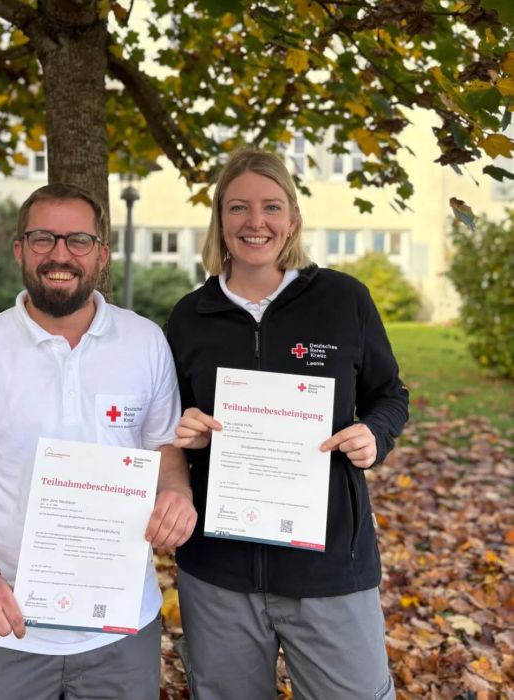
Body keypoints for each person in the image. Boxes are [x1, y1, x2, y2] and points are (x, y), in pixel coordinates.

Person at [0, 182, 197, 700]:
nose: (60, 254)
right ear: (20, 250)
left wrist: (179, 494)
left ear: (101, 254)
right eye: (43, 239)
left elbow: (164, 447)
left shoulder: (145, 340)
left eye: (78, 240)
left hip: (122, 622)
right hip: (5, 625)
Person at [166, 147, 408, 700]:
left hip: (328, 567)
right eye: (238, 208)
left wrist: (375, 434)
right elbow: (170, 426)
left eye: (272, 207)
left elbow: (389, 395)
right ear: (220, 220)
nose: (256, 223)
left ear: (293, 219)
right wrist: (192, 432)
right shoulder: (189, 317)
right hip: (218, 570)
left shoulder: (343, 300)